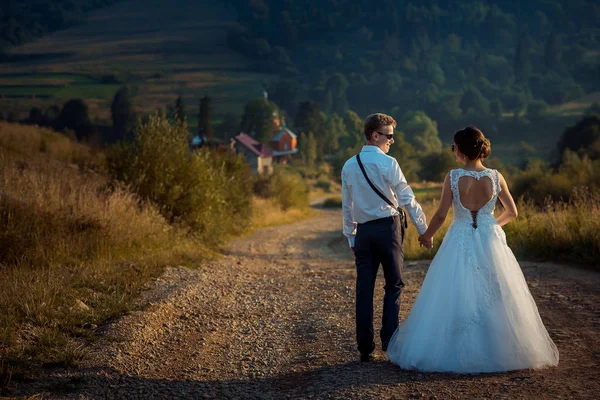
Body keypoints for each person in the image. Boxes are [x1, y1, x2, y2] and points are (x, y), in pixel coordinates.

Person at [386, 126, 559, 373]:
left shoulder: (454, 177)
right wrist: (490, 224)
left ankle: (459, 345)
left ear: (463, 150)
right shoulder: (496, 177)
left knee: (457, 288)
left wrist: (426, 236)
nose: (453, 151)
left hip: (460, 237)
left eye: (454, 147)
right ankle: (500, 347)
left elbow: (440, 215)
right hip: (490, 238)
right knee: (496, 289)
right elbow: (513, 212)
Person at [341, 113, 429, 362]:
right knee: (394, 284)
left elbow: (347, 206)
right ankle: (390, 343)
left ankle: (365, 348)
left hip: (363, 233)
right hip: (388, 229)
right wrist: (422, 230)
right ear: (375, 135)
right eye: (389, 136)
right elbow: (407, 199)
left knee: (364, 289)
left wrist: (351, 237)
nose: (392, 141)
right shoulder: (389, 163)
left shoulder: (349, 165)